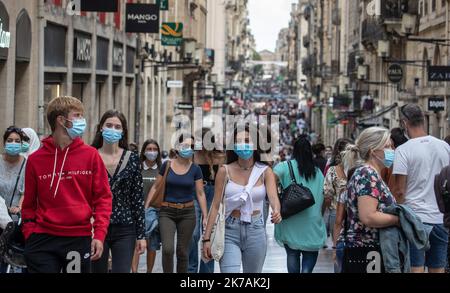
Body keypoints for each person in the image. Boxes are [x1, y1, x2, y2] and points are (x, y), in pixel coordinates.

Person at [22, 96, 112, 273]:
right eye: (77, 116)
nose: (82, 121)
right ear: (61, 121)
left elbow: (103, 198)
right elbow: (29, 204)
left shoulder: (91, 155)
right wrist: (29, 233)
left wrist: (99, 234)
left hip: (78, 238)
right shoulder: (35, 160)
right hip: (42, 239)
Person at [202, 125, 282, 273]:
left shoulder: (265, 171)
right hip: (229, 230)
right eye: (238, 141)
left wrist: (276, 210)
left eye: (247, 140)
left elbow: (273, 197)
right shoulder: (224, 171)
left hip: (256, 230)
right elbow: (215, 206)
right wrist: (206, 238)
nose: (243, 145)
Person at [393, 104, 450, 273]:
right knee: (437, 269)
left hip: (415, 219)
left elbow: (400, 191)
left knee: (415, 268)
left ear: (404, 123)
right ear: (423, 120)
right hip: (440, 219)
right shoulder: (445, 147)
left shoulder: (403, 150)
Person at [91, 110, 146, 273]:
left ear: (123, 132)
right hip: (96, 226)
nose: (112, 129)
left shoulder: (132, 158)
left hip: (125, 227)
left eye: (117, 126)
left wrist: (141, 235)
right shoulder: (90, 155)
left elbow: (137, 198)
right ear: (101, 128)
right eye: (108, 125)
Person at [145, 134, 208, 273]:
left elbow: (200, 193)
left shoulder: (195, 169)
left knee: (183, 252)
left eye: (192, 146)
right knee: (167, 249)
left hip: (188, 213)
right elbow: (156, 186)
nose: (188, 149)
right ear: (178, 147)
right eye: (185, 146)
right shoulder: (167, 165)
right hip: (167, 211)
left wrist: (205, 216)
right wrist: (146, 207)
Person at [341, 127, 399, 273]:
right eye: (387, 146)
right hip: (367, 251)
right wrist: (399, 219)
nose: (392, 150)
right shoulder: (367, 174)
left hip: (369, 250)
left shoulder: (370, 173)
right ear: (373, 151)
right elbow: (368, 216)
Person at [273, 135, 326, 273]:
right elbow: (324, 195)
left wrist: (276, 199)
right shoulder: (317, 171)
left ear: (294, 151)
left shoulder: (284, 166)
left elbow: (270, 181)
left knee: (292, 254)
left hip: (291, 220)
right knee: (310, 254)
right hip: (312, 221)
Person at [188, 129, 226, 273]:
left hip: (213, 193)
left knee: (209, 233)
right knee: (193, 234)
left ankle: (206, 271)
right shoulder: (192, 156)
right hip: (195, 194)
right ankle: (191, 269)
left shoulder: (220, 156)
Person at [132, 139, 162, 273]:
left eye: (154, 149)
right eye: (149, 149)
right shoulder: (137, 168)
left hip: (155, 213)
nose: (152, 152)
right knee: (135, 244)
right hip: (137, 212)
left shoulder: (161, 170)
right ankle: (134, 270)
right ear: (144, 151)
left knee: (152, 245)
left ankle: (149, 271)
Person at [323, 139, 352, 253]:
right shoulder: (360, 170)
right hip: (353, 213)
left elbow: (327, 195)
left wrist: (324, 211)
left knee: (338, 250)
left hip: (336, 212)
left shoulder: (332, 170)